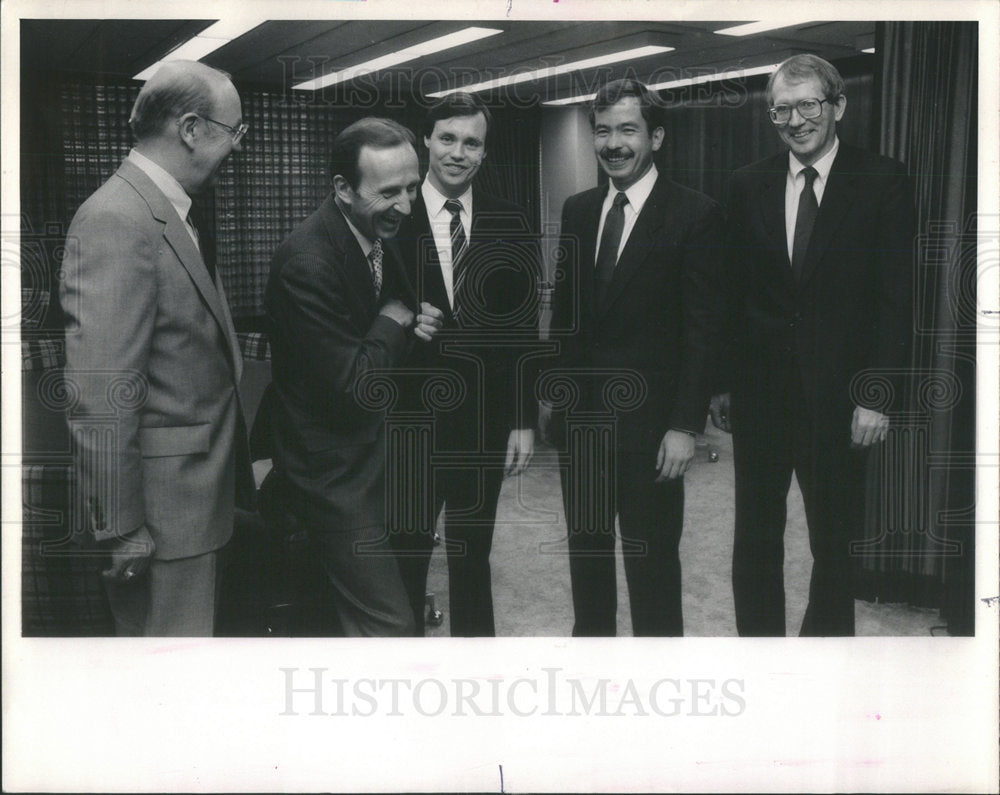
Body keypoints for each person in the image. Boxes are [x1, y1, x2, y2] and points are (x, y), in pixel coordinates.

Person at [712, 54, 914, 636]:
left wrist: (876, 394)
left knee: (834, 544)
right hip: (759, 399)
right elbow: (732, 294)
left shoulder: (883, 180)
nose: (795, 120)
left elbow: (894, 298)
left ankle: (824, 662)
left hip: (841, 400)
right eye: (782, 109)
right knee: (754, 540)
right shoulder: (745, 184)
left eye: (808, 105)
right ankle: (763, 659)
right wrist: (723, 381)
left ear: (837, 107)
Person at [60, 60, 254, 636]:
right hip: (160, 520)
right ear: (191, 128)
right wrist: (121, 527)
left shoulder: (167, 211)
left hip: (188, 509)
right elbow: (100, 391)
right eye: (234, 132)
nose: (239, 148)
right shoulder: (118, 219)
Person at [544, 78, 726, 636]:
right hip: (583, 428)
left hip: (652, 433)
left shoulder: (695, 215)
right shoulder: (577, 210)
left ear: (657, 136)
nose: (613, 144)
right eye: (602, 131)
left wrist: (684, 425)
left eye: (627, 129)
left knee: (652, 570)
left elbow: (704, 331)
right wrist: (555, 395)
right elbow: (569, 316)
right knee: (587, 564)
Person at [266, 117, 444, 637]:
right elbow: (353, 385)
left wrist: (410, 324)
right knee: (389, 625)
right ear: (342, 188)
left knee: (382, 614)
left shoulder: (371, 231)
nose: (407, 206)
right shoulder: (307, 261)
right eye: (389, 192)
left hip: (380, 462)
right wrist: (393, 322)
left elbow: (378, 327)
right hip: (333, 479)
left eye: (413, 188)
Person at [396, 93, 540, 636]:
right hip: (408, 423)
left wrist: (523, 418)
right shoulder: (394, 215)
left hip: (483, 422)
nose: (458, 152)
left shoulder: (511, 219)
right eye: (448, 138)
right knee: (406, 556)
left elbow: (526, 331)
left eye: (472, 142)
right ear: (426, 141)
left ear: (484, 152)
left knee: (472, 558)